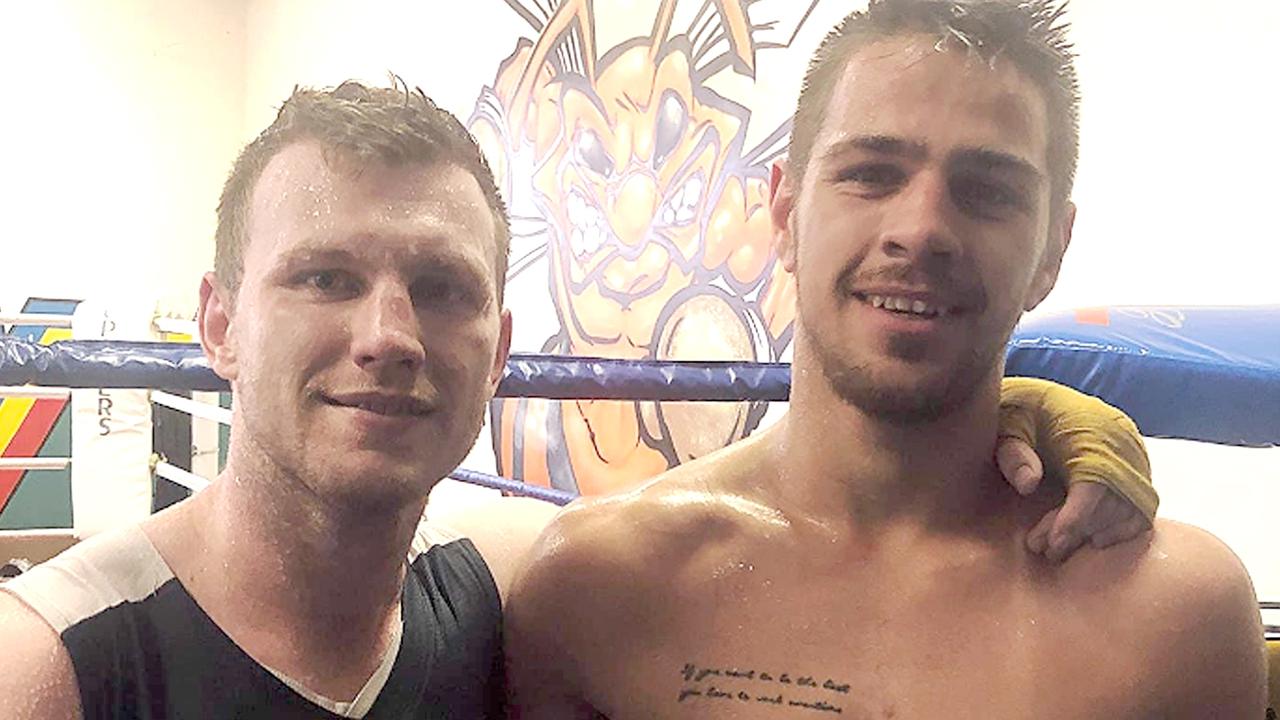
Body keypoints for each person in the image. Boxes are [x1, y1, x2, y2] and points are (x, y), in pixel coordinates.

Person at [0, 76, 1155, 719]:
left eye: (441, 288)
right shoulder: (56, 669)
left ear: (499, 346)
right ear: (218, 323)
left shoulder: (498, 584)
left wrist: (1023, 414)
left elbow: (780, 516)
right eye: (324, 277)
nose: (389, 336)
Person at [502, 2, 1268, 718]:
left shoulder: (1178, 617)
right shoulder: (596, 588)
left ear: (1052, 251)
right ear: (785, 211)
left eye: (988, 190)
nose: (922, 227)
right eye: (870, 173)